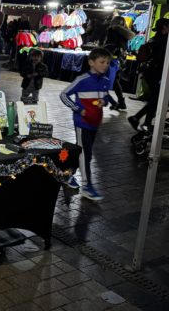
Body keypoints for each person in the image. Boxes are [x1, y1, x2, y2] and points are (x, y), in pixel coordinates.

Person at [60, 48, 115, 201]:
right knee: (85, 153)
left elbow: (105, 96)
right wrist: (78, 109)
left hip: (95, 123)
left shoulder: (105, 81)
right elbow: (64, 94)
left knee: (84, 153)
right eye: (102, 62)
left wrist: (104, 101)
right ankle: (86, 186)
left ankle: (67, 175)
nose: (105, 65)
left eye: (108, 63)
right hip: (82, 123)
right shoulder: (82, 79)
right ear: (91, 62)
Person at [128, 18, 169, 131]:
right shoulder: (164, 41)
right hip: (156, 73)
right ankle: (140, 120)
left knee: (155, 99)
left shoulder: (154, 38)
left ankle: (142, 120)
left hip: (149, 72)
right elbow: (161, 59)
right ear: (165, 27)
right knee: (156, 99)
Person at [104, 15, 134, 110]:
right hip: (120, 60)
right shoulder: (126, 33)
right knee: (116, 82)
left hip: (111, 58)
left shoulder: (112, 30)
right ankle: (121, 102)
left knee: (103, 80)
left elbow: (109, 44)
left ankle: (113, 102)